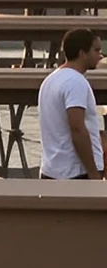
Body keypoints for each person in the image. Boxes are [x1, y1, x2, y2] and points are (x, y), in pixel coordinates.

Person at [36, 27, 104, 180]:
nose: (100, 56)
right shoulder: (75, 82)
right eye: (96, 50)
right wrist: (93, 172)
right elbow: (77, 128)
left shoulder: (51, 80)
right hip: (75, 172)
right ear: (82, 53)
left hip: (51, 170)